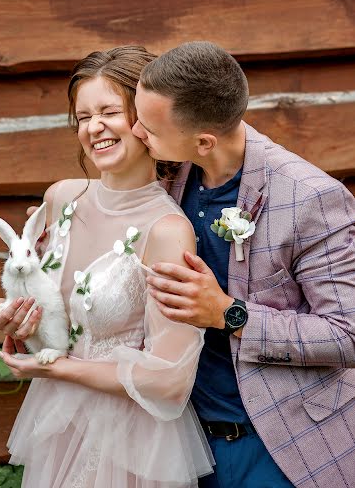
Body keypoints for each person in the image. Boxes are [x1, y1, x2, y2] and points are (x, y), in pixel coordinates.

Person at [0, 46, 214, 488]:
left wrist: (56, 368)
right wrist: (19, 321)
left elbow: (170, 380)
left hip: (128, 441)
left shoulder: (167, 232)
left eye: (109, 111)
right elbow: (55, 315)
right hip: (57, 424)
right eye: (83, 116)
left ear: (145, 120)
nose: (94, 127)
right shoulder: (61, 198)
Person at [132, 41, 355, 488]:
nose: (137, 132)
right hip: (185, 446)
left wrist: (228, 314)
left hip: (281, 446)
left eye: (149, 129)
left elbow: (347, 334)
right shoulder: (171, 178)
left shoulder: (309, 197)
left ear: (203, 141)